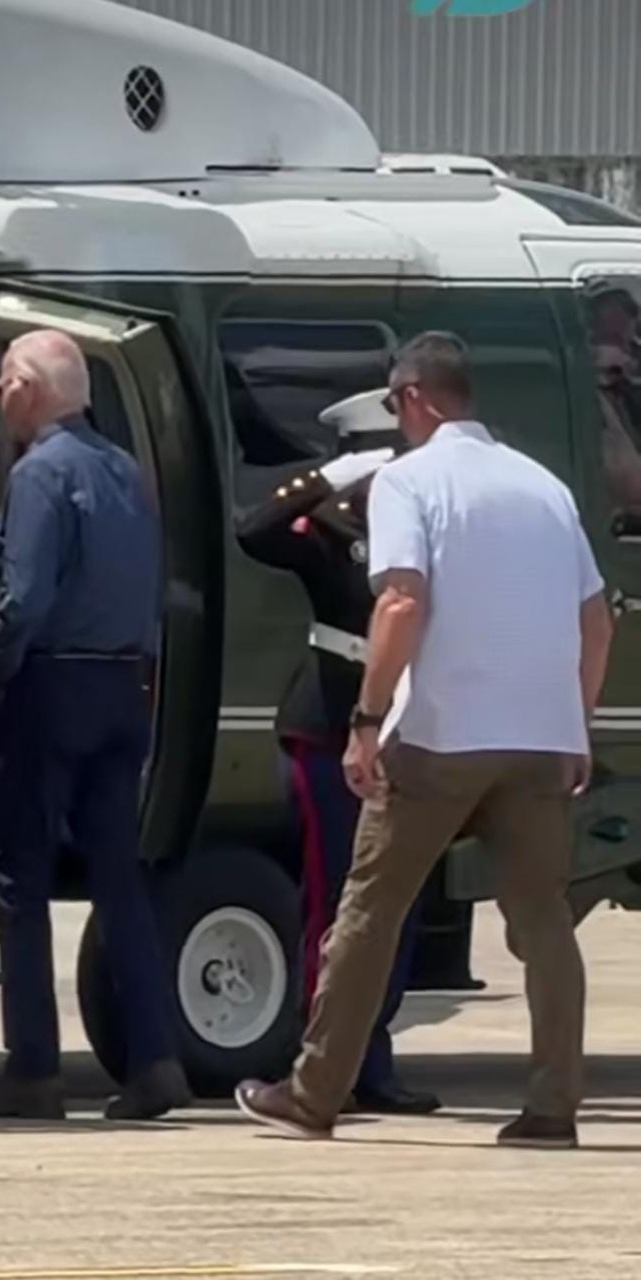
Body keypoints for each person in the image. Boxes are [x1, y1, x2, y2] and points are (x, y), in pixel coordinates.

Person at [235, 331, 614, 1150]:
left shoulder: (409, 480)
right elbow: (594, 618)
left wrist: (367, 720)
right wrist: (573, 721)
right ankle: (553, 1106)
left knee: (369, 908)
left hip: (442, 733)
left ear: (411, 398)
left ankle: (314, 1091)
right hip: (539, 740)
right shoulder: (543, 486)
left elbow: (401, 601)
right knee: (542, 921)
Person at [0, 330, 191, 1122]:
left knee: (19, 878)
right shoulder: (125, 471)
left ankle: (33, 1069)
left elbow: (22, 597)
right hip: (124, 685)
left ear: (29, 387)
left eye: (2, 383)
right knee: (117, 878)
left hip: (51, 685)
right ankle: (153, 1058)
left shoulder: (40, 474)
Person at [235, 390, 439, 1116]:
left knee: (398, 901)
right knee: (333, 902)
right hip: (327, 726)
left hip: (404, 725)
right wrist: (329, 477)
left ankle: (372, 1057)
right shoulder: (321, 530)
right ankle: (325, 1060)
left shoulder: (417, 529)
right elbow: (251, 531)